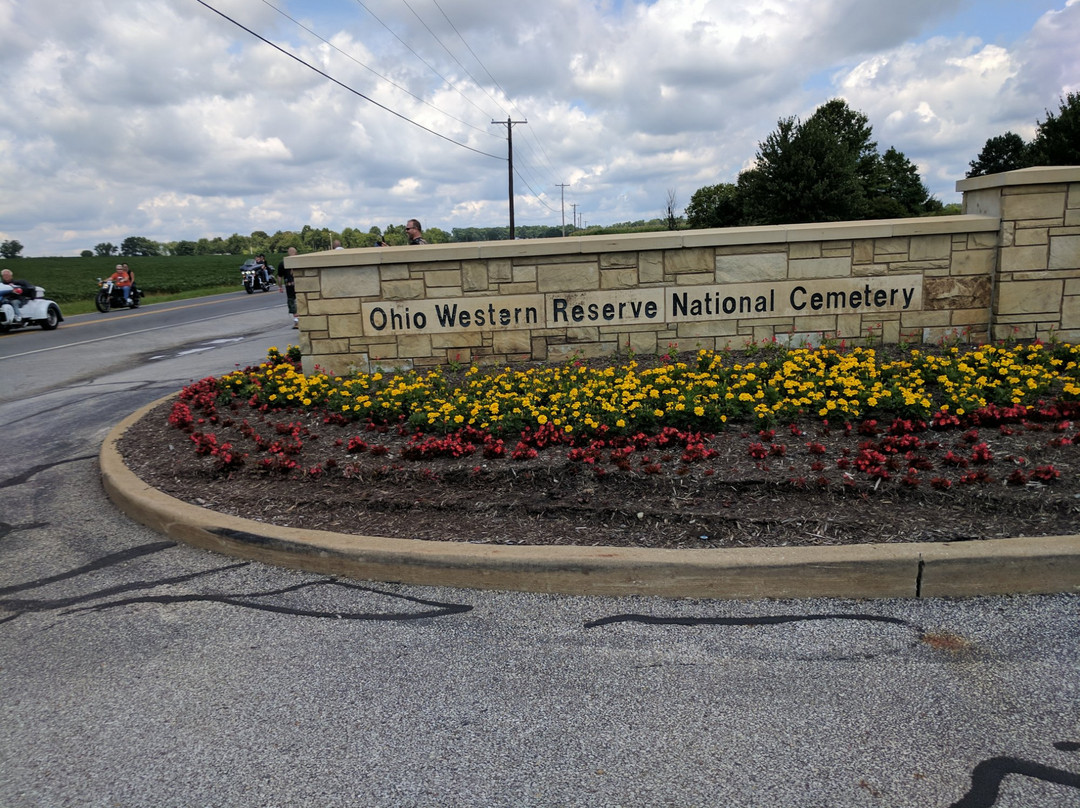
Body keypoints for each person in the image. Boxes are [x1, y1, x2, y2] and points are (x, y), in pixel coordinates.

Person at [277, 246, 299, 329]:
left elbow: (279, 277)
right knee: (300, 301)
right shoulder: (299, 261)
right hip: (299, 284)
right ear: (296, 253)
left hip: (289, 285)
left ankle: (296, 321)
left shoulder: (282, 263)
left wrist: (280, 287)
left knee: (292, 302)